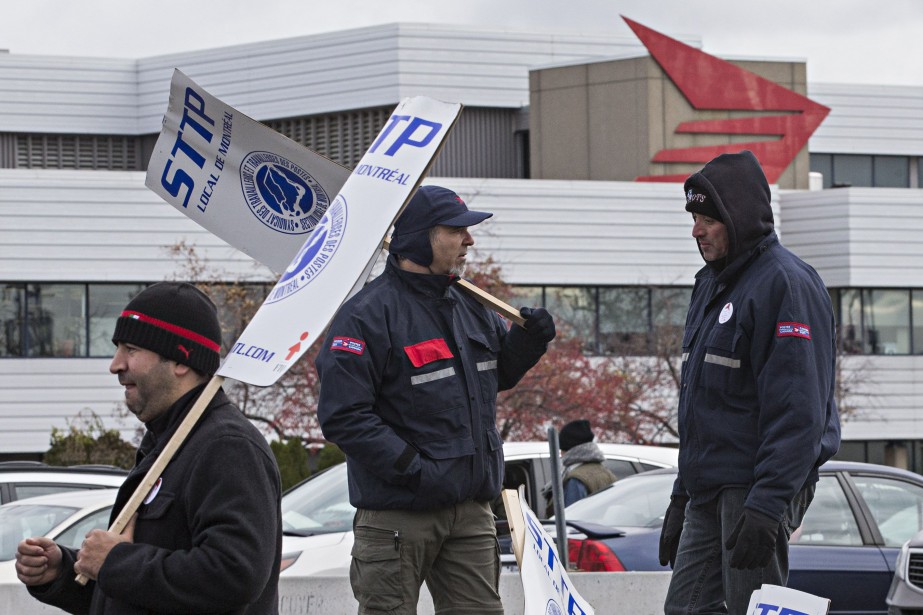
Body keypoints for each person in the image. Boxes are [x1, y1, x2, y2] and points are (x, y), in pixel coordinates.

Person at [316, 184, 556, 615]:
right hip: (396, 515)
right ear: (421, 238)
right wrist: (414, 470)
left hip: (470, 510)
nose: (469, 240)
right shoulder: (366, 315)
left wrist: (527, 343)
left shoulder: (472, 304)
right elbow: (344, 416)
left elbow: (492, 377)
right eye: (457, 230)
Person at [15, 282, 282, 615]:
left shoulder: (227, 447)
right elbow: (136, 594)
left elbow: (235, 574)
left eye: (131, 348)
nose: (115, 364)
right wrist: (61, 572)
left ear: (180, 360)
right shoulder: (168, 443)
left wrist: (116, 562)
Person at [659, 151, 841, 615]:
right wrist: (681, 497)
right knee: (683, 608)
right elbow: (701, 409)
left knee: (749, 609)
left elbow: (799, 412)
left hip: (755, 489)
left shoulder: (786, 285)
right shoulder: (710, 285)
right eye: (694, 218)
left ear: (737, 219)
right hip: (708, 488)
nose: (696, 230)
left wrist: (768, 504)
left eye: (707, 219)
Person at [544, 419, 616, 516]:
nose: (560, 454)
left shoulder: (576, 479)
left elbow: (571, 518)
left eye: (562, 449)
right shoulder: (606, 472)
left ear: (571, 451)